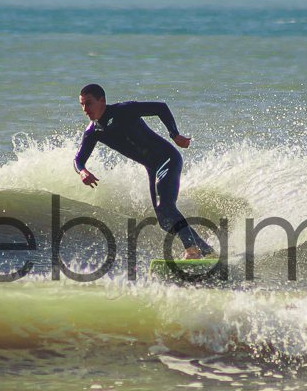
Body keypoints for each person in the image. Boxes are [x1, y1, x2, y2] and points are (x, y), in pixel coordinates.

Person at [73, 84, 214, 260]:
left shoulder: (124, 110)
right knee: (165, 221)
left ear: (102, 100)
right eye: (82, 104)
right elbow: (78, 159)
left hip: (167, 159)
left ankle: (192, 251)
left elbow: (160, 107)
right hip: (153, 168)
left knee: (166, 207)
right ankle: (207, 250)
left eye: (88, 103)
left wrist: (174, 134)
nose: (85, 109)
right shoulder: (93, 131)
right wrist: (82, 171)